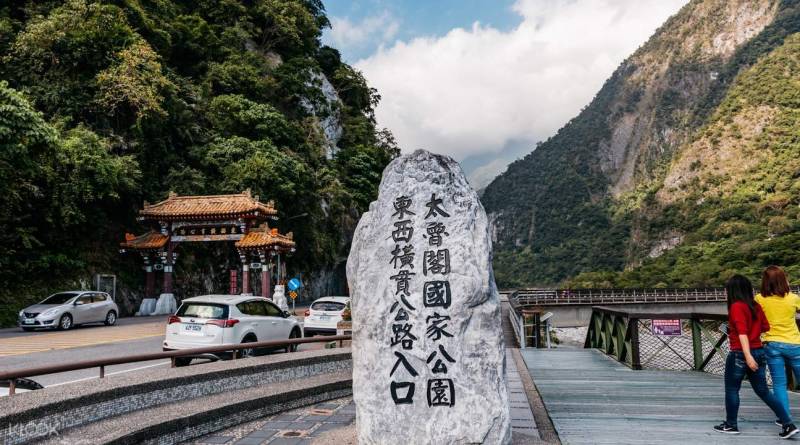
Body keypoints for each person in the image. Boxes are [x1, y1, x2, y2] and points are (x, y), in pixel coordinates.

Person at [714, 274, 797, 438]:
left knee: (732, 390)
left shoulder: (737, 306)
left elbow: (742, 333)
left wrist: (747, 355)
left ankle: (731, 425)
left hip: (741, 353)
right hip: (759, 351)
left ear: (733, 290)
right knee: (764, 391)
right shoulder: (755, 306)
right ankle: (788, 424)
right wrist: (752, 333)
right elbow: (765, 327)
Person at [758, 265, 800, 438]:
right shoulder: (794, 298)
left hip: (772, 344)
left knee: (779, 384)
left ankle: (785, 420)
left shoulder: (759, 299)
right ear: (784, 280)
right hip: (795, 344)